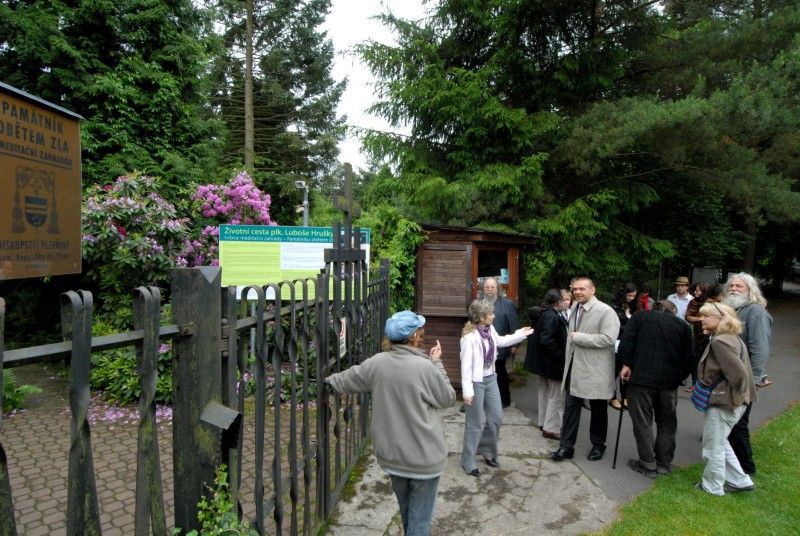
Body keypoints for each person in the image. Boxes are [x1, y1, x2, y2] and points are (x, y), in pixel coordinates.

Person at [325, 310, 456, 535]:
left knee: (407, 514)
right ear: (414, 336)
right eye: (419, 332)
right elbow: (448, 398)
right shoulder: (425, 367)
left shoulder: (378, 363)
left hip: (393, 457)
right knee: (420, 522)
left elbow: (349, 378)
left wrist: (326, 381)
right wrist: (437, 363)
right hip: (424, 457)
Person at [618, 300, 695, 478]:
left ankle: (648, 464)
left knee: (642, 422)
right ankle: (663, 464)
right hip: (669, 383)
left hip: (640, 380)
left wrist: (626, 364)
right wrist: (679, 377)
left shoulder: (639, 317)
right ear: (673, 312)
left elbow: (626, 344)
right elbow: (690, 358)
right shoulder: (682, 326)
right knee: (667, 423)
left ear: (654, 308)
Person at [460, 299, 533, 476]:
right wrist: (467, 392)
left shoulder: (489, 330)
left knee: (496, 418)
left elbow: (500, 341)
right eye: (491, 314)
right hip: (476, 383)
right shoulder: (469, 338)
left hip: (491, 379)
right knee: (475, 423)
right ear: (482, 317)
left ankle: (486, 450)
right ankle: (467, 460)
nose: (494, 315)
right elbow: (466, 368)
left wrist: (520, 334)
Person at [551, 277, 620, 462]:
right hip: (575, 366)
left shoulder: (606, 311)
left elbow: (609, 339)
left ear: (593, 290)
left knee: (598, 410)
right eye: (575, 289)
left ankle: (598, 445)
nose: (578, 292)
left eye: (582, 289)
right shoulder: (574, 307)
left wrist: (580, 337)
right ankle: (566, 447)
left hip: (596, 370)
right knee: (571, 408)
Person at [694, 302, 757, 495]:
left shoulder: (720, 342)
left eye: (706, 316)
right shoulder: (731, 338)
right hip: (735, 402)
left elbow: (739, 375)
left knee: (713, 446)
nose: (701, 319)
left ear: (721, 319)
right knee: (721, 441)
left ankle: (712, 487)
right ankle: (740, 480)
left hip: (726, 403)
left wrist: (732, 398)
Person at [723, 272, 773, 476]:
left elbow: (759, 348)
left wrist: (754, 378)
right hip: (727, 376)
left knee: (738, 423)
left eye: (739, 286)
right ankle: (732, 462)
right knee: (729, 421)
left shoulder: (755, 312)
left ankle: (745, 469)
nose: (733, 289)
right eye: (731, 286)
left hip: (743, 378)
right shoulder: (732, 310)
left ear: (750, 290)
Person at [524, 289, 568, 440]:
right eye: (563, 300)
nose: (565, 302)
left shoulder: (542, 312)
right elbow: (546, 340)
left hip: (543, 362)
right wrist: (561, 356)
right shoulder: (552, 316)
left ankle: (543, 422)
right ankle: (551, 428)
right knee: (556, 395)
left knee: (544, 392)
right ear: (558, 302)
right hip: (552, 363)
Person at [480, 277, 519, 408]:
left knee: (500, 372)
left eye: (492, 287)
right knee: (481, 375)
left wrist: (514, 345)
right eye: (487, 287)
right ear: (483, 289)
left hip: (500, 345)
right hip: (481, 347)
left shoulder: (507, 304)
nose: (489, 290)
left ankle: (504, 400)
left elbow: (513, 324)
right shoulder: (477, 303)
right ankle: (481, 401)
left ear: (498, 289)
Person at [610, 283, 640, 409]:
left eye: (633, 296)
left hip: (628, 345)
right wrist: (629, 329)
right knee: (614, 372)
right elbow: (613, 325)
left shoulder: (635, 307)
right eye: (629, 295)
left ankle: (625, 396)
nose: (631, 298)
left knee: (626, 371)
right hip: (615, 344)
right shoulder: (614, 307)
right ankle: (612, 397)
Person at [684, 282, 710, 389]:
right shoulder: (692, 302)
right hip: (696, 335)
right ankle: (695, 383)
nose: (695, 292)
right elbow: (688, 317)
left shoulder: (710, 303)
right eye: (695, 290)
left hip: (708, 335)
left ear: (703, 292)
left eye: (697, 290)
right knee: (694, 360)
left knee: (706, 361)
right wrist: (699, 319)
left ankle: (705, 383)